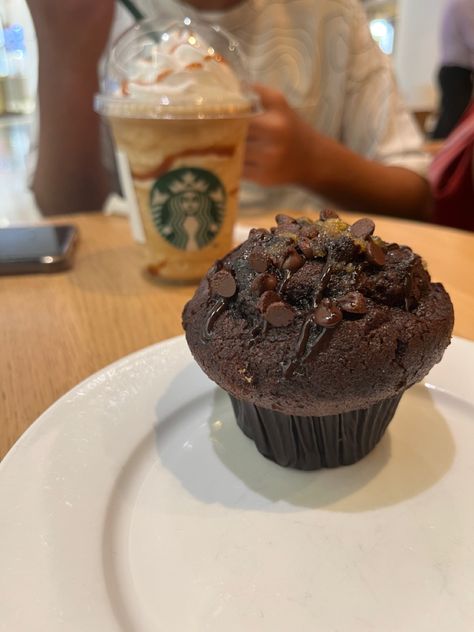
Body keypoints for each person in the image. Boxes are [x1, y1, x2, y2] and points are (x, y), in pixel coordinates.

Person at [26, 0, 431, 219]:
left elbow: (415, 197)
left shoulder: (334, 14)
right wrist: (67, 59)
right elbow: (63, 210)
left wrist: (312, 160)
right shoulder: (89, 15)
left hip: (307, 278)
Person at [432, 0, 474, 140]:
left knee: (453, 119)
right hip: (456, 72)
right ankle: (439, 158)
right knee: (452, 120)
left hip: (455, 71)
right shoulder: (464, 4)